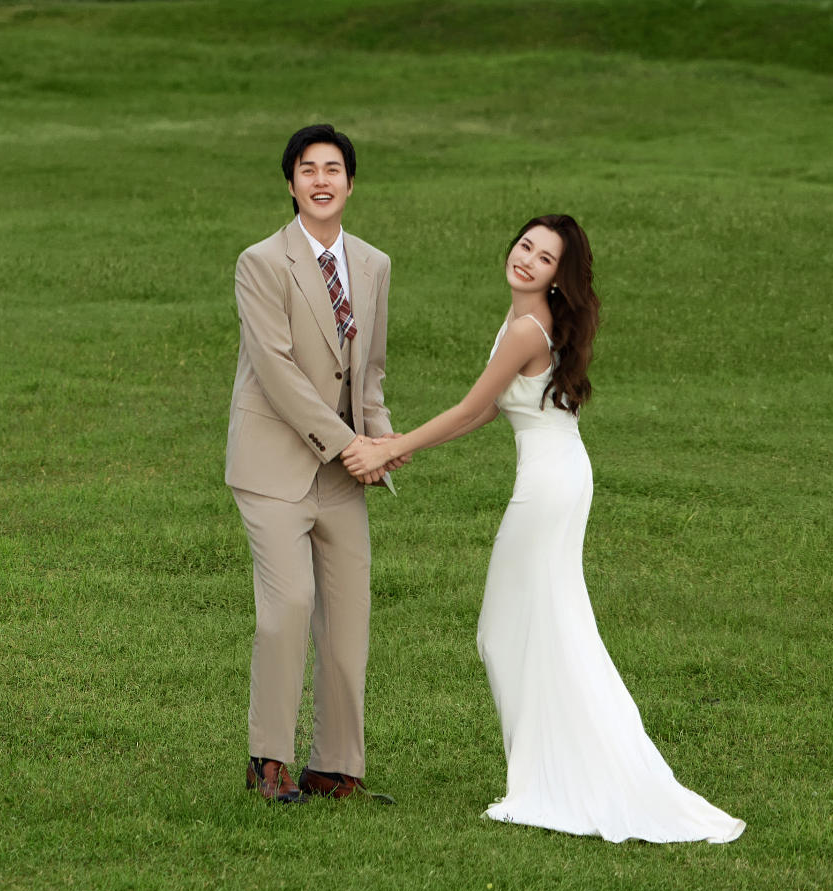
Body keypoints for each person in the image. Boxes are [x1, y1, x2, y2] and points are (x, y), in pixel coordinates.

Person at [347, 216, 742, 843]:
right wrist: (405, 446)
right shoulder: (528, 323)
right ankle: (543, 772)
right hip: (558, 474)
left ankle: (548, 781)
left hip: (550, 485)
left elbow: (474, 406)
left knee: (512, 630)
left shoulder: (528, 329)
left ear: (561, 277)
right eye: (525, 246)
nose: (527, 260)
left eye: (546, 258)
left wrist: (388, 447)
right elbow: (488, 412)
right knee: (530, 627)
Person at [227, 123, 393, 804]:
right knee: (288, 604)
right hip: (272, 463)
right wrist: (346, 440)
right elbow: (277, 370)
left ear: (351, 183)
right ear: (291, 183)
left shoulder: (374, 263)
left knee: (348, 617)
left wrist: (378, 441)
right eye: (307, 169)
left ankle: (334, 766)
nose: (321, 179)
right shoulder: (261, 261)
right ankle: (269, 758)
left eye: (333, 168)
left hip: (342, 473)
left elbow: (369, 370)